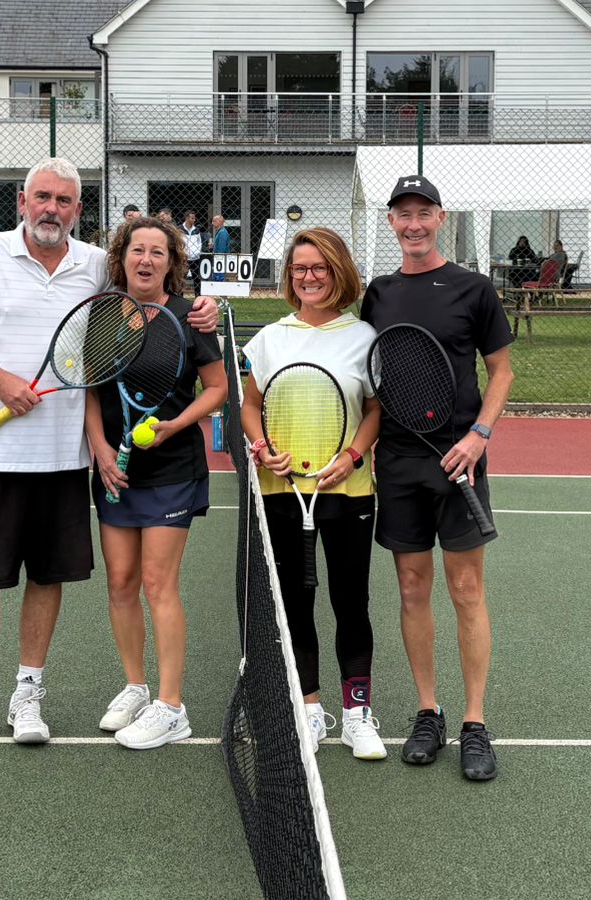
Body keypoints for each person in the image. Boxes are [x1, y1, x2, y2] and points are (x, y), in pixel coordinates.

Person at [0, 159, 217, 751]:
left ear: (78, 210)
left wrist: (208, 308)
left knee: (48, 577)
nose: (51, 209)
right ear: (23, 202)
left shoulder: (96, 268)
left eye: (63, 200)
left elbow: (156, 300)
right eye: (42, 197)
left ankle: (27, 695)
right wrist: (2, 382)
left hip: (63, 461)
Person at [360, 173, 514, 783]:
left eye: (424, 213)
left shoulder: (474, 288)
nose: (414, 224)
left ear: (441, 219)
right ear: (392, 223)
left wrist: (479, 435)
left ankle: (475, 721)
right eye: (404, 214)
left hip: (460, 459)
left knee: (467, 588)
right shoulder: (379, 293)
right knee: (411, 587)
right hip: (399, 461)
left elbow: (501, 371)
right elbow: (374, 376)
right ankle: (429, 712)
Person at [240, 227, 385, 759]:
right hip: (280, 491)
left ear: (338, 271)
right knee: (295, 604)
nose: (309, 277)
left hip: (349, 492)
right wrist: (261, 447)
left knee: (351, 601)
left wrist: (353, 456)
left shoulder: (364, 337)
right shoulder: (270, 338)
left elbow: (375, 410)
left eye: (319, 266)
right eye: (299, 268)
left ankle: (357, 715)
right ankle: (309, 710)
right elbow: (249, 405)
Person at [85, 214, 226, 750]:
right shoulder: (102, 313)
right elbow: (91, 388)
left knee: (157, 582)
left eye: (157, 253)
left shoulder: (191, 316)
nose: (145, 260)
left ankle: (171, 706)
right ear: (121, 257)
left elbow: (216, 388)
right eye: (137, 250)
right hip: (115, 470)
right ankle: (135, 687)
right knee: (120, 581)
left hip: (172, 471)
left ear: (172, 263)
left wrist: (174, 425)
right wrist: (100, 449)